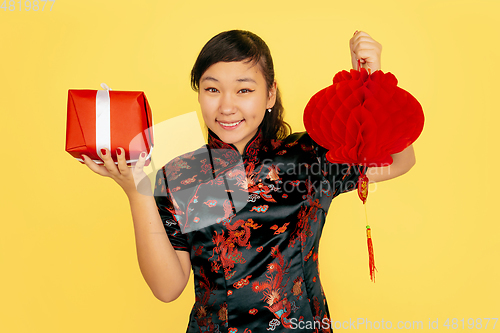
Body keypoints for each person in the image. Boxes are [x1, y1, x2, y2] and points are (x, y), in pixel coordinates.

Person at [82, 30, 416, 333]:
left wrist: (371, 81)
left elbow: (400, 159)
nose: (227, 106)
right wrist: (136, 188)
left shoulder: (309, 157)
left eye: (244, 89)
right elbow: (167, 288)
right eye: (212, 89)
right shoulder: (181, 174)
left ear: (270, 94)